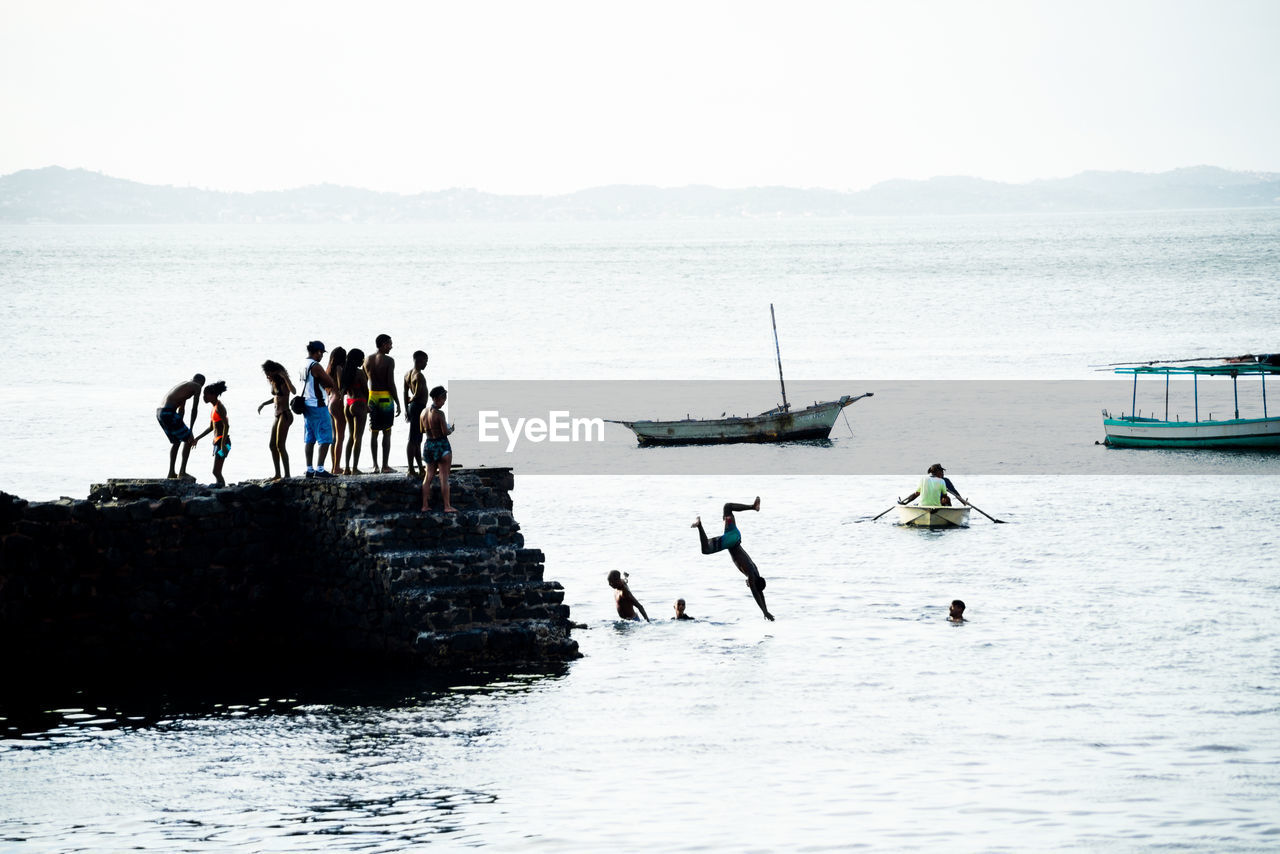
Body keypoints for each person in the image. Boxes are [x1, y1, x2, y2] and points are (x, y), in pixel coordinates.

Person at [691, 497, 774, 621]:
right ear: (754, 583)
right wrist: (764, 611)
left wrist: (766, 610)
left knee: (727, 507)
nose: (749, 585)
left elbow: (760, 593)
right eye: (751, 586)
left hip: (734, 534)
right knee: (706, 549)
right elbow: (756, 594)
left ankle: (753, 507)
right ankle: (699, 525)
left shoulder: (756, 572)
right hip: (731, 541)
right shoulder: (751, 575)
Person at [365, 333, 402, 473]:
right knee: (387, 432)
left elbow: (364, 381)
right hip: (385, 397)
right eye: (389, 344)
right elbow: (390, 383)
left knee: (374, 432)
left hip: (372, 397)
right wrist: (398, 401)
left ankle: (375, 466)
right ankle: (385, 466)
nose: (391, 347)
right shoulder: (389, 360)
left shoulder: (367, 359)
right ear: (383, 344)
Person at [156, 373, 205, 480]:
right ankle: (182, 472)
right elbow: (194, 409)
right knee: (189, 439)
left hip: (160, 413)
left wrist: (181, 428)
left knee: (176, 442)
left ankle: (171, 473)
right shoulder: (196, 386)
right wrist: (190, 430)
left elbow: (181, 410)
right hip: (168, 412)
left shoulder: (184, 385)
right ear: (201, 383)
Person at [299, 341, 336, 478]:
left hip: (306, 404)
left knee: (310, 438)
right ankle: (320, 469)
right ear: (318, 352)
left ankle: (309, 468)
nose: (322, 356)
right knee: (326, 438)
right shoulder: (315, 366)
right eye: (321, 353)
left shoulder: (303, 363)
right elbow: (330, 383)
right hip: (318, 404)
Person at [419, 386, 457, 512]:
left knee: (428, 476)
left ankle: (424, 505)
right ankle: (447, 506)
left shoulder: (423, 413)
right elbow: (445, 432)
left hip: (428, 445)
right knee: (444, 477)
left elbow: (421, 430)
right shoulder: (440, 414)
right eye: (443, 399)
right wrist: (451, 429)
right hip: (441, 445)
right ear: (437, 398)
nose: (444, 401)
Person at [256, 360, 295, 480]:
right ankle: (277, 473)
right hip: (277, 415)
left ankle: (287, 475)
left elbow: (293, 391)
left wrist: (285, 377)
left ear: (274, 371)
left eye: (268, 373)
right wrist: (264, 403)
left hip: (285, 414)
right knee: (272, 445)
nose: (267, 376)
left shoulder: (283, 380)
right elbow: (276, 397)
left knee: (280, 444)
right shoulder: (274, 382)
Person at [192, 381, 230, 487]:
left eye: (206, 394)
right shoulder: (214, 408)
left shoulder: (219, 407)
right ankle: (221, 488)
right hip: (218, 443)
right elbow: (211, 427)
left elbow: (227, 425)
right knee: (216, 471)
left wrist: (223, 445)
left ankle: (222, 489)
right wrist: (197, 438)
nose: (203, 397)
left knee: (216, 471)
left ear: (213, 395)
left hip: (225, 444)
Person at [342, 348, 369, 475]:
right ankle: (355, 468)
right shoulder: (359, 373)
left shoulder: (344, 372)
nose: (363, 360)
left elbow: (343, 390)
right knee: (358, 437)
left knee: (350, 436)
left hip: (348, 403)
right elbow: (366, 390)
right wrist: (367, 405)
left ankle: (346, 468)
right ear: (357, 359)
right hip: (359, 403)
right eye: (362, 358)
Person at [403, 350, 429, 479]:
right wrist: (411, 401)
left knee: (417, 439)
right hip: (418, 407)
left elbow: (404, 392)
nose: (426, 364)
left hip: (413, 408)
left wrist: (406, 408)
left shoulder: (407, 374)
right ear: (420, 360)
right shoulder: (419, 375)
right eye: (426, 361)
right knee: (413, 439)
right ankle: (411, 468)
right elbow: (417, 393)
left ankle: (420, 468)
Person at [325, 347, 347, 475]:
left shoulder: (329, 369)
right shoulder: (339, 368)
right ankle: (337, 467)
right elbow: (340, 387)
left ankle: (334, 466)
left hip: (330, 402)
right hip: (337, 402)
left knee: (334, 437)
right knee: (340, 437)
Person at [899, 463, 966, 507]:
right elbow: (916, 494)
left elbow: (955, 493)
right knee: (947, 498)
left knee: (947, 499)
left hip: (938, 502)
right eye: (941, 472)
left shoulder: (944, 480)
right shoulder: (940, 481)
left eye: (942, 472)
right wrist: (905, 503)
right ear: (936, 473)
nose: (943, 474)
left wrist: (964, 502)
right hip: (932, 504)